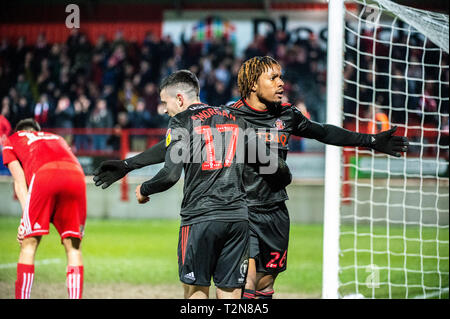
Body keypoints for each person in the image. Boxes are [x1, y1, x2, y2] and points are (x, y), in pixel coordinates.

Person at [93, 57, 409, 299]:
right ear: (253, 83)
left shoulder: (287, 115)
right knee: (246, 282)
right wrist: (129, 164)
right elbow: (178, 145)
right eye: (273, 77)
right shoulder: (229, 115)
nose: (281, 82)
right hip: (241, 210)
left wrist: (370, 141)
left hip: (274, 210)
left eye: (281, 76)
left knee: (266, 283)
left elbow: (323, 131)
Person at [94, 70, 291, 299]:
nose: (164, 109)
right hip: (237, 219)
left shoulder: (181, 121)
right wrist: (128, 165)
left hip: (200, 217)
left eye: (164, 102)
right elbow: (276, 167)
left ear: (179, 98)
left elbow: (170, 174)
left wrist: (144, 189)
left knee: (195, 290)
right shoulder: (234, 118)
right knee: (231, 292)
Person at [2, 118, 87, 299]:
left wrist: (26, 220)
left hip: (45, 175)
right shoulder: (56, 138)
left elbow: (19, 182)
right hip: (76, 175)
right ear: (38, 130)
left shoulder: (12, 140)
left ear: (20, 131)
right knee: (73, 247)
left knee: (29, 244)